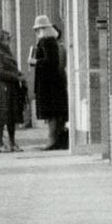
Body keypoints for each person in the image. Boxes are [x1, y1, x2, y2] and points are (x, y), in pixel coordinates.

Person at [29, 15, 69, 150]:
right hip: (53, 82)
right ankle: (55, 139)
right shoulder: (52, 42)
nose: (36, 33)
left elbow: (49, 62)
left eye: (37, 30)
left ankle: (52, 140)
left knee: (51, 113)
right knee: (55, 114)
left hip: (48, 84)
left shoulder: (46, 42)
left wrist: (35, 62)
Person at [0, 29, 25, 153]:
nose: (9, 41)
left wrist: (19, 74)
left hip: (11, 87)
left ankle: (12, 142)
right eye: (7, 39)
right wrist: (16, 77)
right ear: (1, 40)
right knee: (0, 116)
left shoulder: (7, 52)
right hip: (2, 88)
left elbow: (12, 68)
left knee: (11, 116)